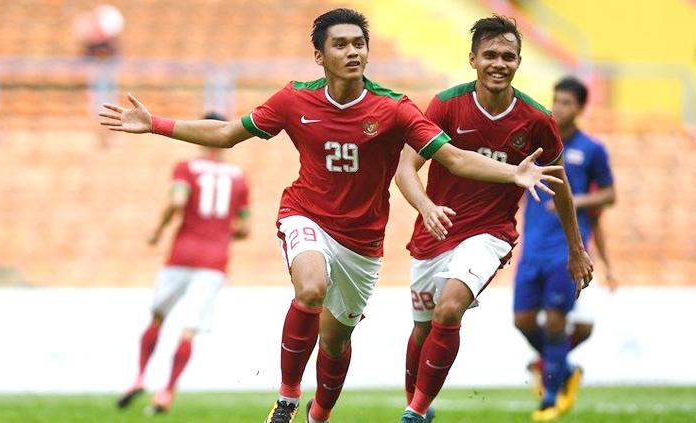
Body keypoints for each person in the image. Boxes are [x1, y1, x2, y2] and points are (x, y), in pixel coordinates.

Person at [99, 9, 562, 423]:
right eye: (340, 44)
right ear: (319, 55)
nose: (352, 51)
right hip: (306, 214)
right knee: (311, 287)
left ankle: (317, 415)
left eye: (359, 43)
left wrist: (511, 173)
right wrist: (155, 123)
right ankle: (285, 399)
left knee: (336, 342)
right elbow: (226, 132)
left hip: (362, 242)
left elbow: (455, 158)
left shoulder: (394, 108)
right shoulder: (294, 100)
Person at [394, 17, 594, 423]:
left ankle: (414, 413)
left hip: (490, 233)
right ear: (473, 59)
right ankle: (420, 405)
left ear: (519, 61)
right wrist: (426, 207)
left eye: (508, 56)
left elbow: (562, 188)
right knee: (421, 330)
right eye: (490, 55)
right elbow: (404, 169)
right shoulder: (447, 104)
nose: (498, 63)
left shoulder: (537, 121)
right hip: (437, 229)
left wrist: (577, 249)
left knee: (449, 310)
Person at [115, 112, 251, 414]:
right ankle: (166, 391)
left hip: (182, 253)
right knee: (189, 329)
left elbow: (178, 201)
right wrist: (219, 231)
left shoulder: (186, 168)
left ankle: (139, 377)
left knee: (158, 316)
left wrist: (158, 230)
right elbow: (244, 228)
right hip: (214, 261)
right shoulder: (239, 178)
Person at [514, 77, 615, 420]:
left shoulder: (591, 149)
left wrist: (572, 200)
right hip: (532, 248)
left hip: (566, 249)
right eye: (555, 101)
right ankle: (563, 368)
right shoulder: (538, 145)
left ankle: (551, 398)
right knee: (523, 320)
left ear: (581, 108)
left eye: (567, 103)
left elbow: (609, 195)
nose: (558, 108)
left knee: (557, 321)